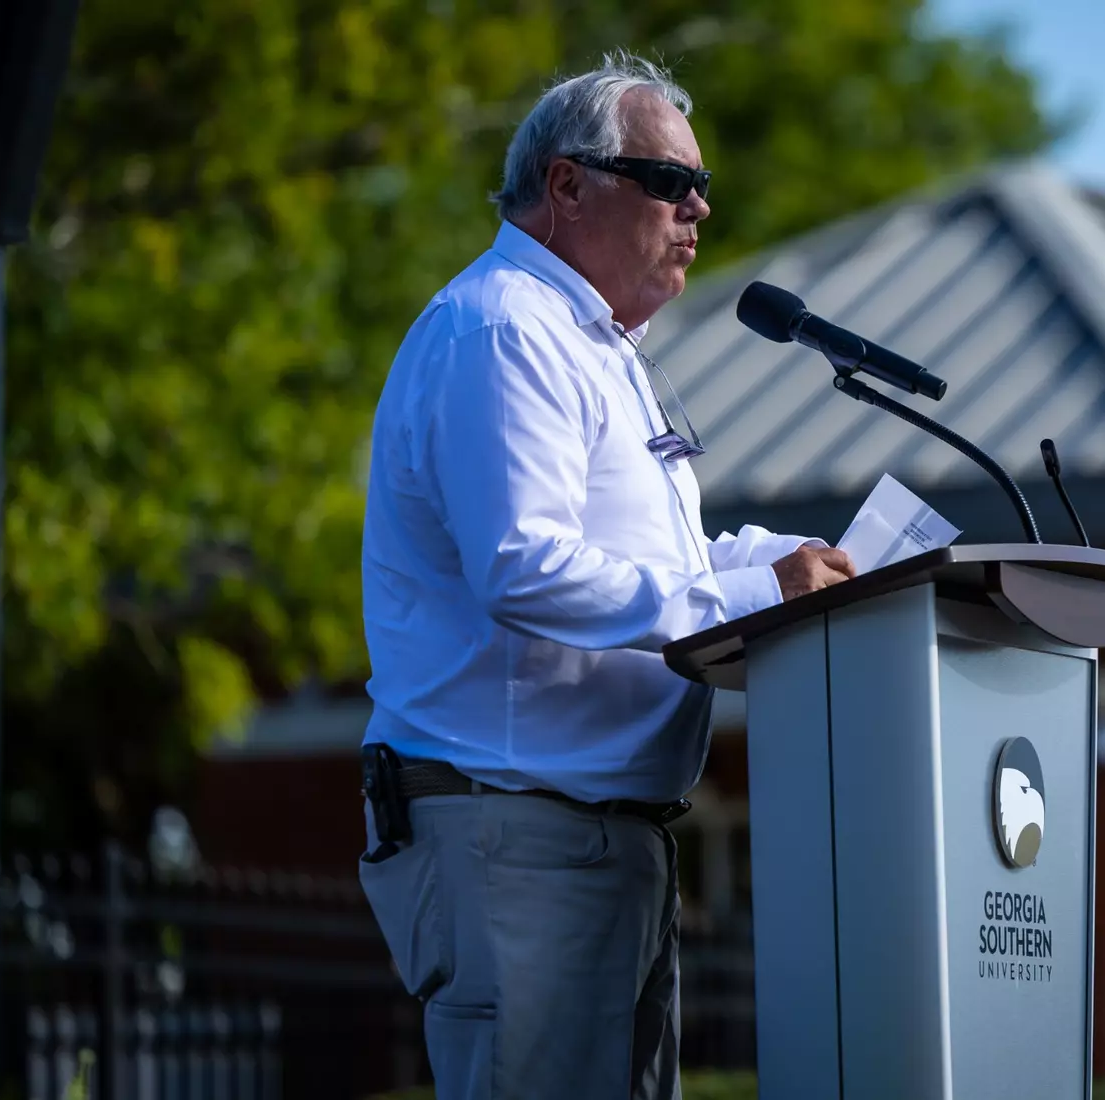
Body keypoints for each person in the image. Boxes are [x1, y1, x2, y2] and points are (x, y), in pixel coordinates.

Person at [355, 50, 854, 1100]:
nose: (699, 209)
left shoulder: (596, 346)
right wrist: (763, 594)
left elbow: (659, 569)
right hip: (518, 833)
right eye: (671, 180)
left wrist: (790, 564)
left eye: (702, 187)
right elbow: (522, 567)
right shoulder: (502, 326)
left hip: (593, 840)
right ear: (567, 185)